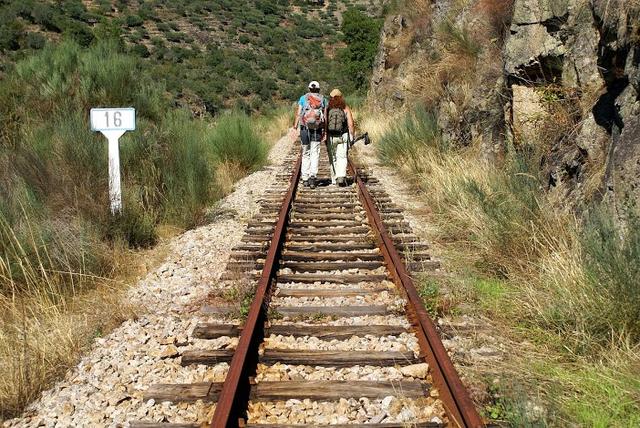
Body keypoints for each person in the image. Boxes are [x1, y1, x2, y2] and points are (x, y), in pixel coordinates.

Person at [292, 81, 327, 188]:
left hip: (304, 128)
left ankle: (305, 178)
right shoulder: (323, 100)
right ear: (318, 89)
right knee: (315, 153)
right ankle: (313, 177)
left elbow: (299, 113)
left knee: (305, 153)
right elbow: (324, 117)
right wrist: (325, 131)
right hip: (317, 129)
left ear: (309, 89)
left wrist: (295, 126)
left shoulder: (303, 98)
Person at [324, 88, 355, 186]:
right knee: (342, 156)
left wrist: (325, 134)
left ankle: (334, 179)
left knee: (332, 157)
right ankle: (341, 176)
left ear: (331, 97)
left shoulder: (328, 108)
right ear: (341, 97)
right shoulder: (345, 107)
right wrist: (352, 135)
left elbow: (325, 122)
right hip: (343, 135)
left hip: (331, 136)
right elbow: (350, 124)